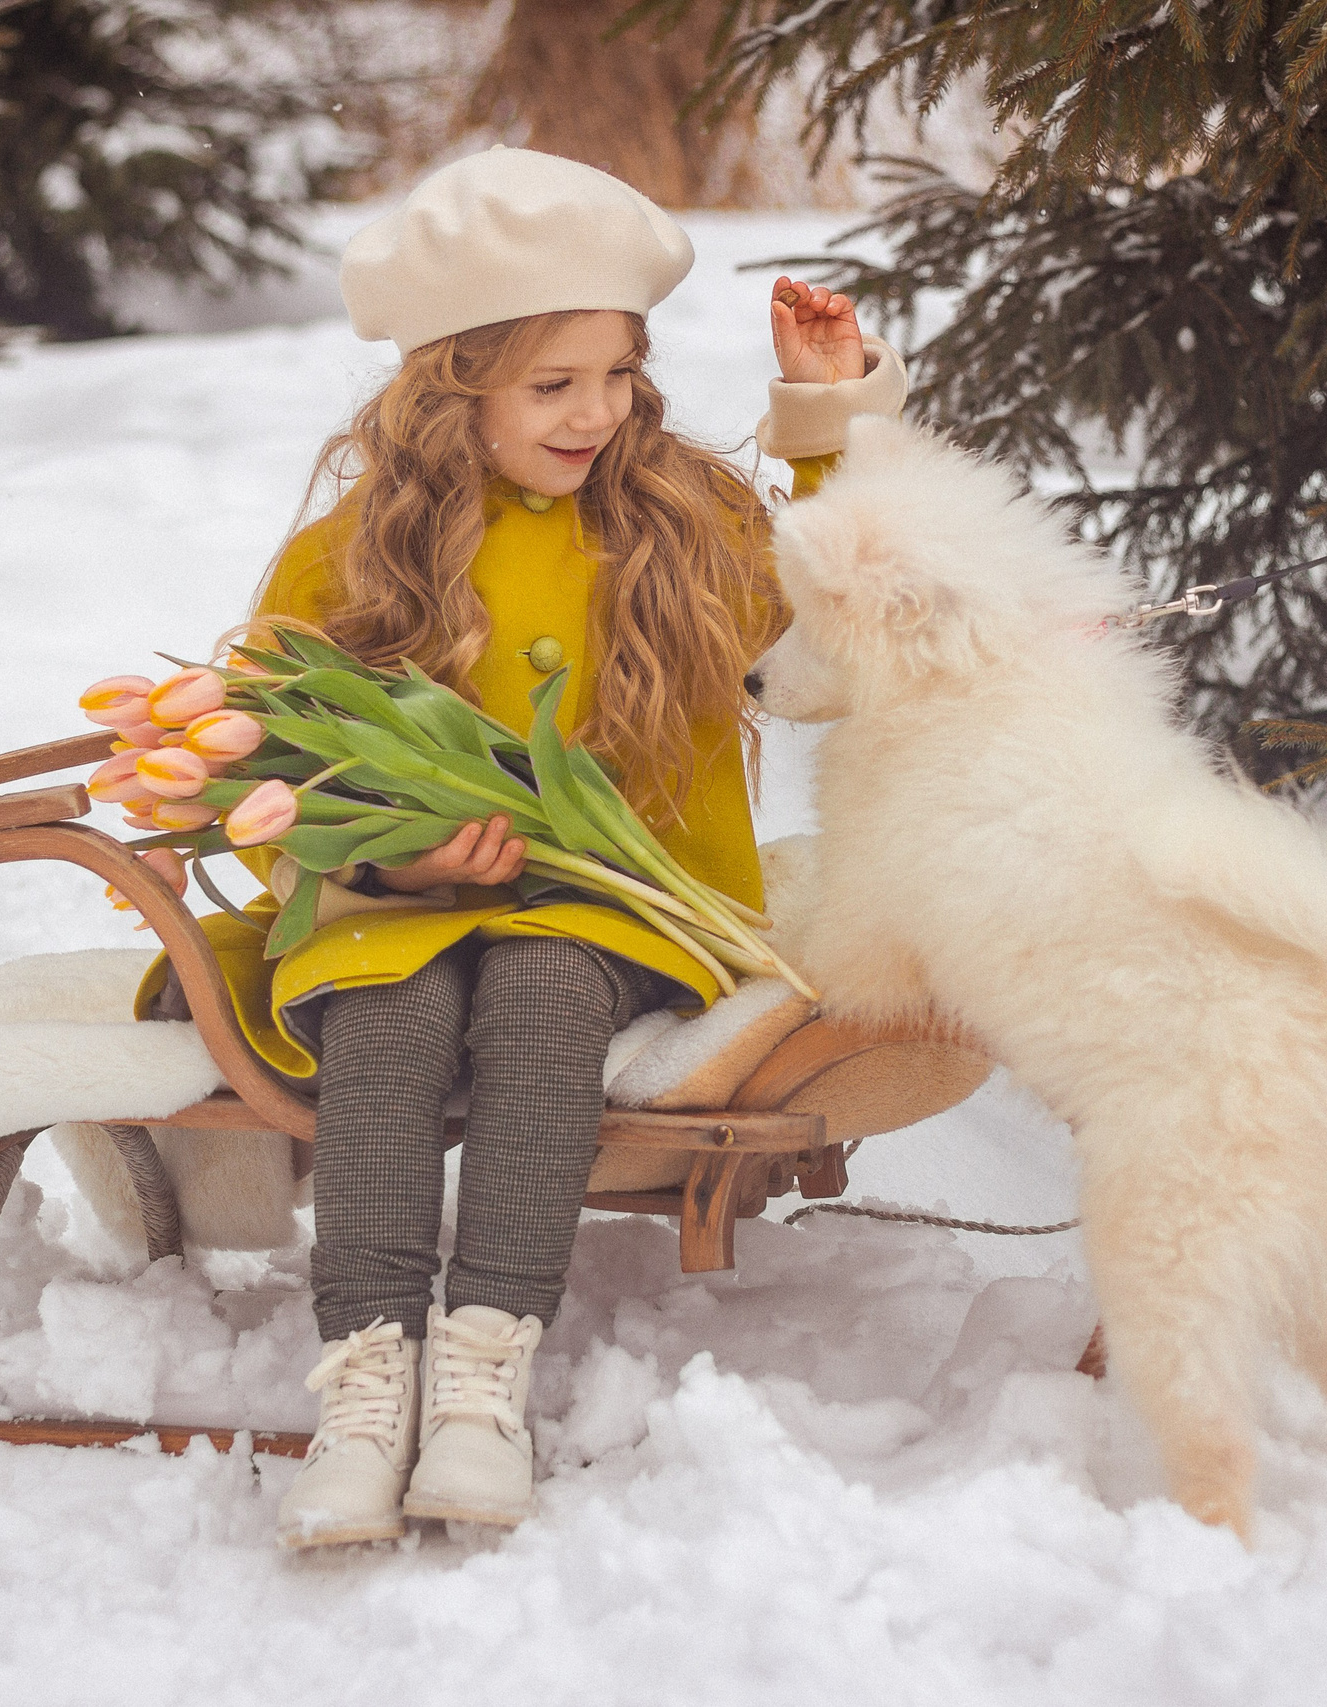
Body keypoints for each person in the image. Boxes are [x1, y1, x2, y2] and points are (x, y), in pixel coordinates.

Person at [135, 147, 905, 1547]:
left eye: (620, 376)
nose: (599, 415)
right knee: (390, 1013)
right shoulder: (348, 557)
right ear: (451, 387)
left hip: (615, 909)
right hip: (394, 911)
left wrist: (827, 417)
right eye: (553, 387)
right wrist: (404, 869)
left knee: (545, 990)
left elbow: (849, 627)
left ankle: (483, 1370)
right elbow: (278, 772)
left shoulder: (686, 522)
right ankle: (369, 1381)